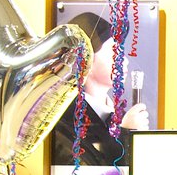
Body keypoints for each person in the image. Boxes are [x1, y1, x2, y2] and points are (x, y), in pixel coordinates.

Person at [50, 11, 150, 166]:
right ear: (85, 59)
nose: (124, 61)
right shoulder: (65, 123)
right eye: (114, 52)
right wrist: (124, 135)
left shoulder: (118, 117)